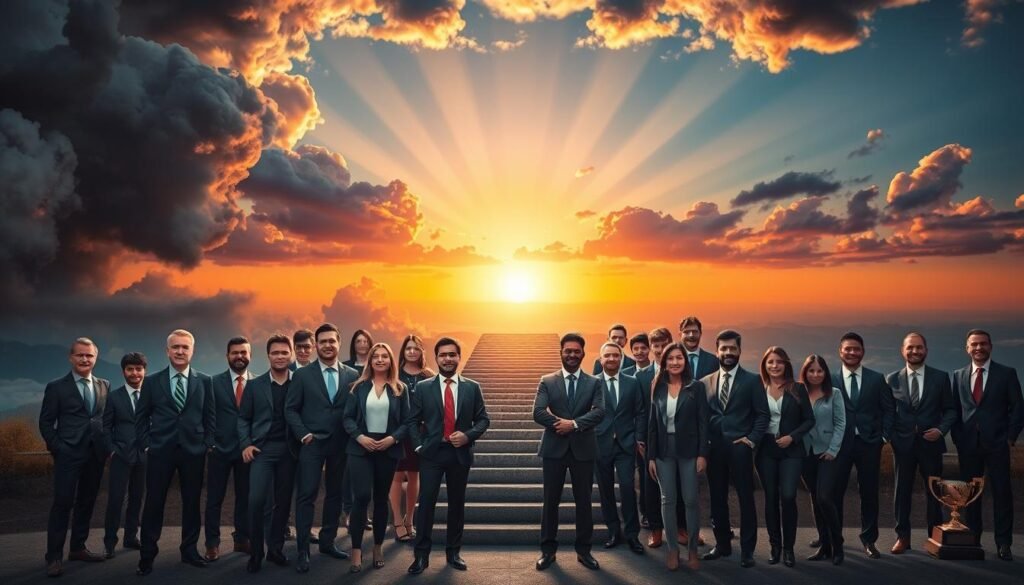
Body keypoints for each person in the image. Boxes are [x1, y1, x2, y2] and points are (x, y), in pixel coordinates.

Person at [407, 337, 490, 574]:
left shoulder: (472, 387)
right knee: (426, 505)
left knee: (456, 505)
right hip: (431, 454)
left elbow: (483, 419)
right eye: (443, 355)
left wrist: (468, 436)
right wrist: (419, 447)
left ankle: (453, 552)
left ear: (459, 357)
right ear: (436, 358)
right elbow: (412, 421)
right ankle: (421, 556)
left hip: (459, 454)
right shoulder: (423, 387)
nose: (448, 359)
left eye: (452, 354)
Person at [136, 330, 215, 576]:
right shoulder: (151, 381)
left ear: (192, 351)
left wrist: (206, 444)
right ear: (167, 351)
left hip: (193, 452)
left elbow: (210, 417)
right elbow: (140, 418)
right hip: (160, 452)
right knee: (153, 503)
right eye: (176, 347)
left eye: (185, 347)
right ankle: (147, 555)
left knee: (191, 503)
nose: (180, 351)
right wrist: (148, 444)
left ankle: (189, 551)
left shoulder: (205, 381)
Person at [284, 323, 359, 573]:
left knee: (335, 495)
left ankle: (328, 542)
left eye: (332, 341)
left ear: (339, 343)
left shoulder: (351, 375)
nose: (327, 345)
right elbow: (290, 409)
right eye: (322, 341)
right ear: (316, 345)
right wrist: (303, 434)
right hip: (311, 444)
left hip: (341, 444)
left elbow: (355, 410)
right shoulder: (303, 375)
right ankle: (303, 550)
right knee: (306, 495)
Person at [39, 337, 111, 577]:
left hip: (96, 455)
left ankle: (78, 548)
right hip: (68, 454)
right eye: (80, 355)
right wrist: (58, 447)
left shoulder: (104, 385)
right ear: (71, 357)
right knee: (62, 503)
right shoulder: (56, 387)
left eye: (89, 355)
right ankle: (54, 557)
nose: (85, 359)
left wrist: (107, 446)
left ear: (95, 358)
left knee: (87, 502)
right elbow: (46, 422)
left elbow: (105, 420)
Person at [533, 333, 605, 571]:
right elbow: (538, 412)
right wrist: (559, 424)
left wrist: (573, 425)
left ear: (583, 354)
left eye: (576, 351)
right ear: (561, 352)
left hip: (583, 450)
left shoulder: (594, 382)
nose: (572, 355)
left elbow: (599, 412)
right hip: (554, 449)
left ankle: (584, 551)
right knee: (550, 502)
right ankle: (548, 551)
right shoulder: (547, 380)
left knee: (584, 502)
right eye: (568, 351)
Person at [951, 329, 1024, 561]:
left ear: (990, 346)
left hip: (998, 444)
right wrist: (957, 439)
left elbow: (1018, 408)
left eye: (983, 344)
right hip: (968, 445)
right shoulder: (958, 375)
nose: (979, 348)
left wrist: (1010, 437)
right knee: (970, 495)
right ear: (967, 348)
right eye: (974, 344)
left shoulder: (1007, 374)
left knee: (1002, 493)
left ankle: (1004, 543)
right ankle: (973, 539)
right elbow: (954, 410)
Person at [701, 329, 769, 568]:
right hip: (714, 450)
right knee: (717, 499)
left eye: (733, 348)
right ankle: (722, 545)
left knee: (745, 499)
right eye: (724, 348)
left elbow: (762, 415)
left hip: (741, 449)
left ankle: (748, 551)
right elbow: (702, 418)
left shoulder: (752, 380)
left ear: (740, 351)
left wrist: (751, 440)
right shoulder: (705, 382)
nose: (728, 352)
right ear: (717, 350)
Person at [343, 342, 411, 572]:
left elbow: (407, 422)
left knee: (381, 499)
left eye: (385, 356)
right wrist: (360, 437)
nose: (380, 360)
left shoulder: (400, 389)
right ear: (370, 361)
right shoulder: (357, 387)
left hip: (387, 448)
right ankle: (355, 550)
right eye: (376, 356)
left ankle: (378, 547)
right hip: (360, 448)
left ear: (391, 361)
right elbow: (347, 419)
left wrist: (392, 439)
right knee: (361, 496)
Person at [886, 332, 956, 554]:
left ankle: (933, 537)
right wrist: (892, 437)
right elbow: (888, 413)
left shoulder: (941, 377)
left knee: (934, 493)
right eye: (910, 348)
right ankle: (902, 537)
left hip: (931, 444)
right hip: (903, 445)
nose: (914, 351)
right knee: (901, 492)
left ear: (926, 350)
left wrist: (941, 430)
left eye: (919, 347)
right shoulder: (891, 379)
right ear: (902, 350)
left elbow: (951, 410)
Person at [238, 334, 299, 572]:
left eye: (285, 352)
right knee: (256, 501)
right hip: (262, 450)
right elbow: (243, 418)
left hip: (290, 451)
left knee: (283, 503)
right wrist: (245, 443)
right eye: (276, 352)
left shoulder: (299, 382)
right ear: (268, 356)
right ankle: (256, 553)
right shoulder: (255, 385)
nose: (280, 356)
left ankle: (275, 550)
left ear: (291, 354)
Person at [830, 331, 894, 559]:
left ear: (863, 352)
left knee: (869, 493)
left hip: (869, 444)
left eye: (856, 349)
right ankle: (834, 538)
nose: (852, 352)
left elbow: (888, 409)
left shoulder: (876, 379)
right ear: (840, 351)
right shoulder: (831, 379)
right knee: (835, 492)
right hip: (839, 444)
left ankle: (869, 540)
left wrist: (884, 437)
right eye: (847, 349)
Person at [646, 342, 708, 571]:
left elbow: (704, 423)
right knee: (668, 500)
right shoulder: (658, 386)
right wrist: (651, 456)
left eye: (678, 358)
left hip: (690, 451)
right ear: (664, 362)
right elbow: (652, 423)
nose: (674, 362)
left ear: (685, 361)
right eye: (670, 358)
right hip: (663, 450)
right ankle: (672, 549)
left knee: (690, 500)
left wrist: (703, 454)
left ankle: (692, 549)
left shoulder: (696, 387)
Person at [754, 347, 814, 567]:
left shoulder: (797, 389)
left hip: (791, 450)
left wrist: (793, 437)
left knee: (788, 496)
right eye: (770, 362)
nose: (774, 366)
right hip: (766, 450)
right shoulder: (759, 388)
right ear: (765, 365)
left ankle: (789, 549)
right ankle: (775, 547)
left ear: (786, 364)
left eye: (779, 362)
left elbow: (809, 420)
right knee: (770, 498)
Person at [593, 342, 646, 554]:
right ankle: (614, 531)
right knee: (606, 491)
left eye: (616, 355)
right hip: (600, 443)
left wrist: (638, 437)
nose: (612, 359)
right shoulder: (592, 383)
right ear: (601, 359)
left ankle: (633, 535)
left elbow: (640, 412)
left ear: (621, 358)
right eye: (608, 356)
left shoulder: (632, 383)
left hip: (626, 443)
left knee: (627, 487)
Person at [204, 337, 254, 561]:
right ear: (227, 356)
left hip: (246, 451)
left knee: (244, 498)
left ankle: (242, 540)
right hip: (219, 450)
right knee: (215, 498)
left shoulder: (256, 383)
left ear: (250, 355)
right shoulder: (213, 383)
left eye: (243, 352)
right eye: (235, 353)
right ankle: (212, 544)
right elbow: (206, 415)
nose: (239, 356)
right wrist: (210, 443)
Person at [799, 354, 846, 565]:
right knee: (815, 498)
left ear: (825, 372)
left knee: (825, 497)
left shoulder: (834, 393)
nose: (816, 374)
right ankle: (824, 546)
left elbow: (840, 424)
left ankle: (838, 545)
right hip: (805, 454)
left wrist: (834, 450)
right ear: (805, 372)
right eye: (812, 371)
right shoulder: (798, 392)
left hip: (828, 453)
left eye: (820, 370)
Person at [102, 352, 148, 559]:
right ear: (124, 372)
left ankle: (131, 537)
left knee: (138, 498)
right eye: (130, 369)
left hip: (144, 455)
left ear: (144, 371)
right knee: (116, 500)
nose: (135, 373)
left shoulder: (150, 394)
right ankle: (110, 542)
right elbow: (106, 427)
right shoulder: (114, 397)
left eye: (139, 369)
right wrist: (112, 449)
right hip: (120, 455)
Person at [391, 335, 434, 544]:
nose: (411, 352)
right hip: (398, 432)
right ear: (403, 351)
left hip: (420, 433)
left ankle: (410, 520)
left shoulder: (429, 375)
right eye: (408, 348)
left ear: (421, 352)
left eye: (416, 349)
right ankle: (397, 522)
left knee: (414, 476)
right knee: (397, 477)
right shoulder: (394, 373)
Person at [622, 333, 651, 527]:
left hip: (645, 431)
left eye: (643, 348)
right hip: (626, 432)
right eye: (636, 349)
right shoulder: (627, 373)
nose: (639, 352)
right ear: (631, 351)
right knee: (634, 477)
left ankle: (649, 513)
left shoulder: (653, 372)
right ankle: (643, 514)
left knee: (646, 474)